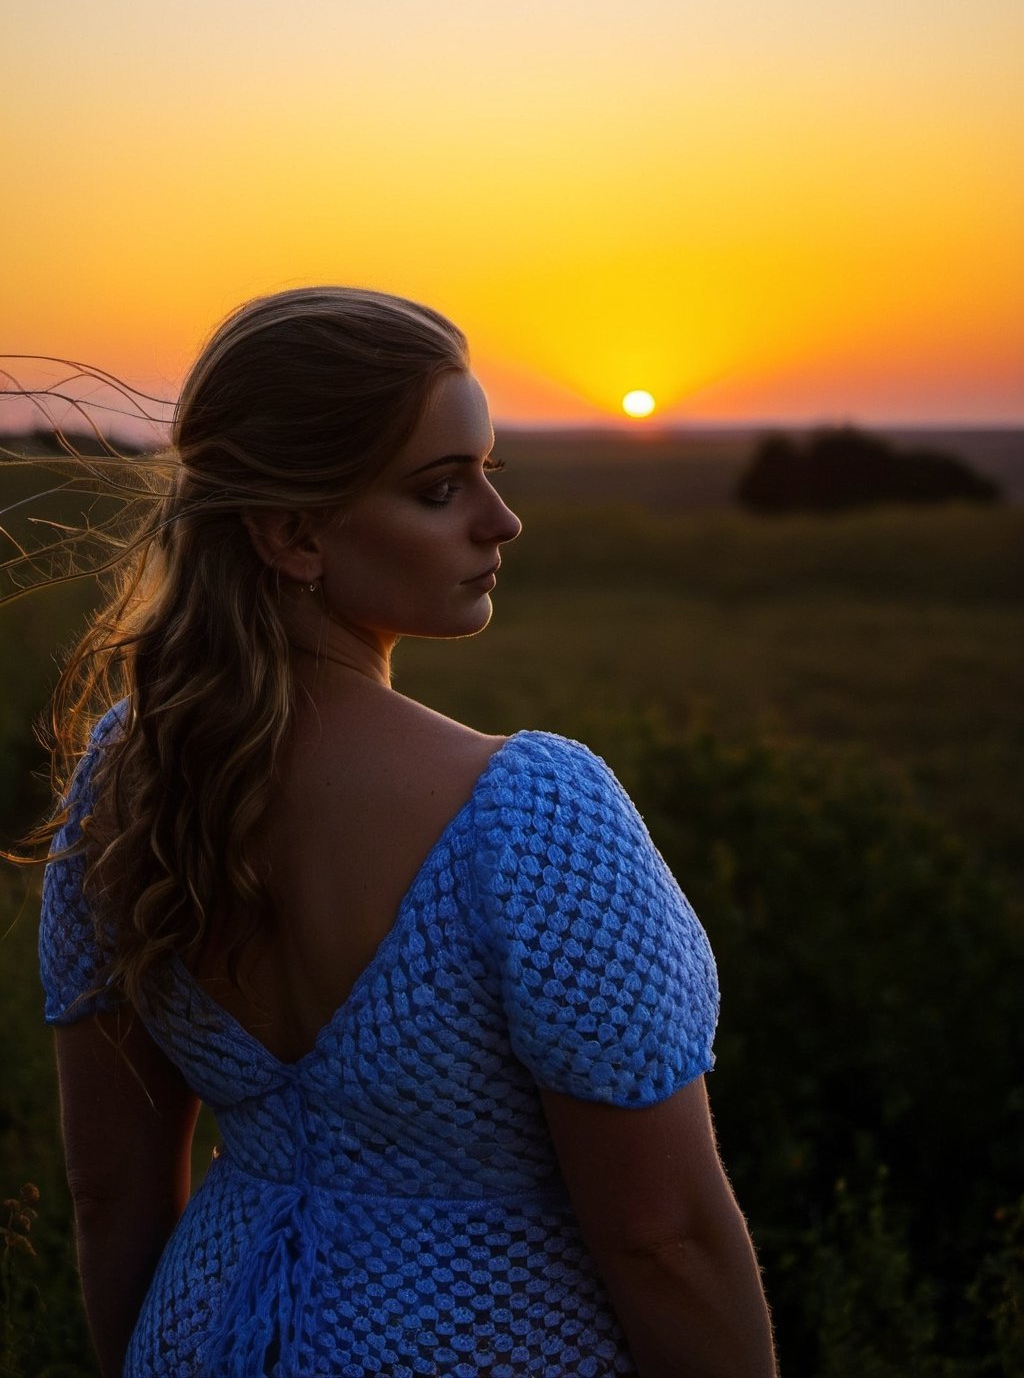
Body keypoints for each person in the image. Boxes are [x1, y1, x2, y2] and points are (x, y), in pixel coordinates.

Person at [35, 287, 776, 1376]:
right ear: (292, 534)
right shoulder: (534, 816)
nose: (498, 520)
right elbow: (660, 1238)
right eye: (440, 489)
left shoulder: (127, 778)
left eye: (491, 472)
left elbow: (110, 1196)